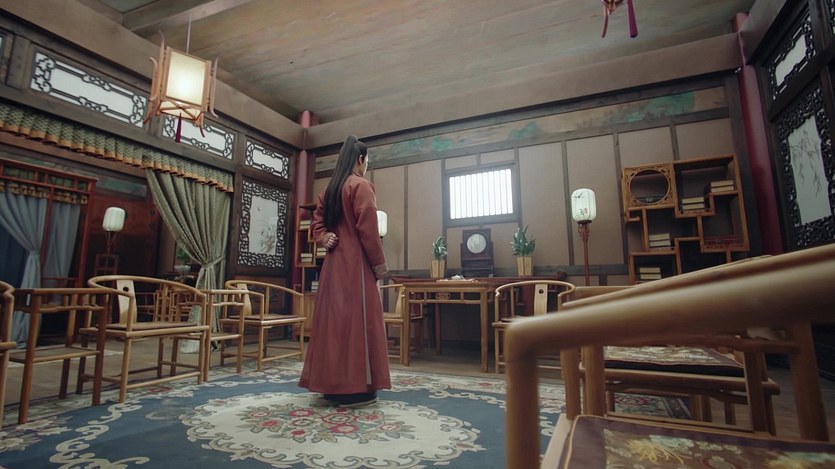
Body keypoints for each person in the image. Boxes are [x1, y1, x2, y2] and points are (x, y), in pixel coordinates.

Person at [299, 135, 391, 407]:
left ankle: (331, 386)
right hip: (356, 267)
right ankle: (356, 389)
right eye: (367, 160)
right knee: (358, 324)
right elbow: (369, 232)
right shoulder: (361, 186)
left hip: (332, 267)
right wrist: (379, 266)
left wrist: (323, 237)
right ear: (361, 159)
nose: (366, 165)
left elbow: (316, 225)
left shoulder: (329, 190)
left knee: (333, 324)